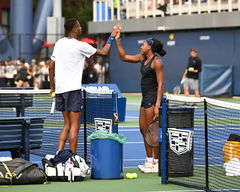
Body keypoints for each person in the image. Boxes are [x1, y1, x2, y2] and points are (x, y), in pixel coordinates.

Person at [49, 18, 119, 154]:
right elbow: (104, 52)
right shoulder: (81, 45)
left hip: (60, 90)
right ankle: (72, 158)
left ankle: (59, 154)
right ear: (74, 29)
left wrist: (52, 87)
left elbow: (51, 65)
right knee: (75, 125)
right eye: (79, 25)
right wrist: (112, 36)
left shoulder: (59, 43)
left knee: (67, 125)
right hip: (73, 90)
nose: (81, 28)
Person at [115, 28, 165, 173]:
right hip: (145, 98)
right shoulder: (143, 58)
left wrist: (157, 105)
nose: (141, 46)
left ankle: (156, 163)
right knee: (143, 130)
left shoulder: (157, 62)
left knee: (153, 132)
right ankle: (149, 160)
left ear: (150, 47)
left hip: (153, 98)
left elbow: (161, 84)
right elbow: (123, 57)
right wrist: (118, 39)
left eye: (143, 44)